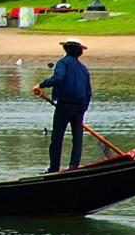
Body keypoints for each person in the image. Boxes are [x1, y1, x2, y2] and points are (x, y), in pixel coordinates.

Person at [34, 38, 92, 173]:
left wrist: (41, 85)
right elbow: (88, 91)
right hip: (80, 105)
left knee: (57, 137)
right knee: (77, 137)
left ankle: (54, 168)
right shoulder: (83, 69)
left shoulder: (63, 63)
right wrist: (83, 108)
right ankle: (74, 166)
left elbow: (58, 78)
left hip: (65, 104)